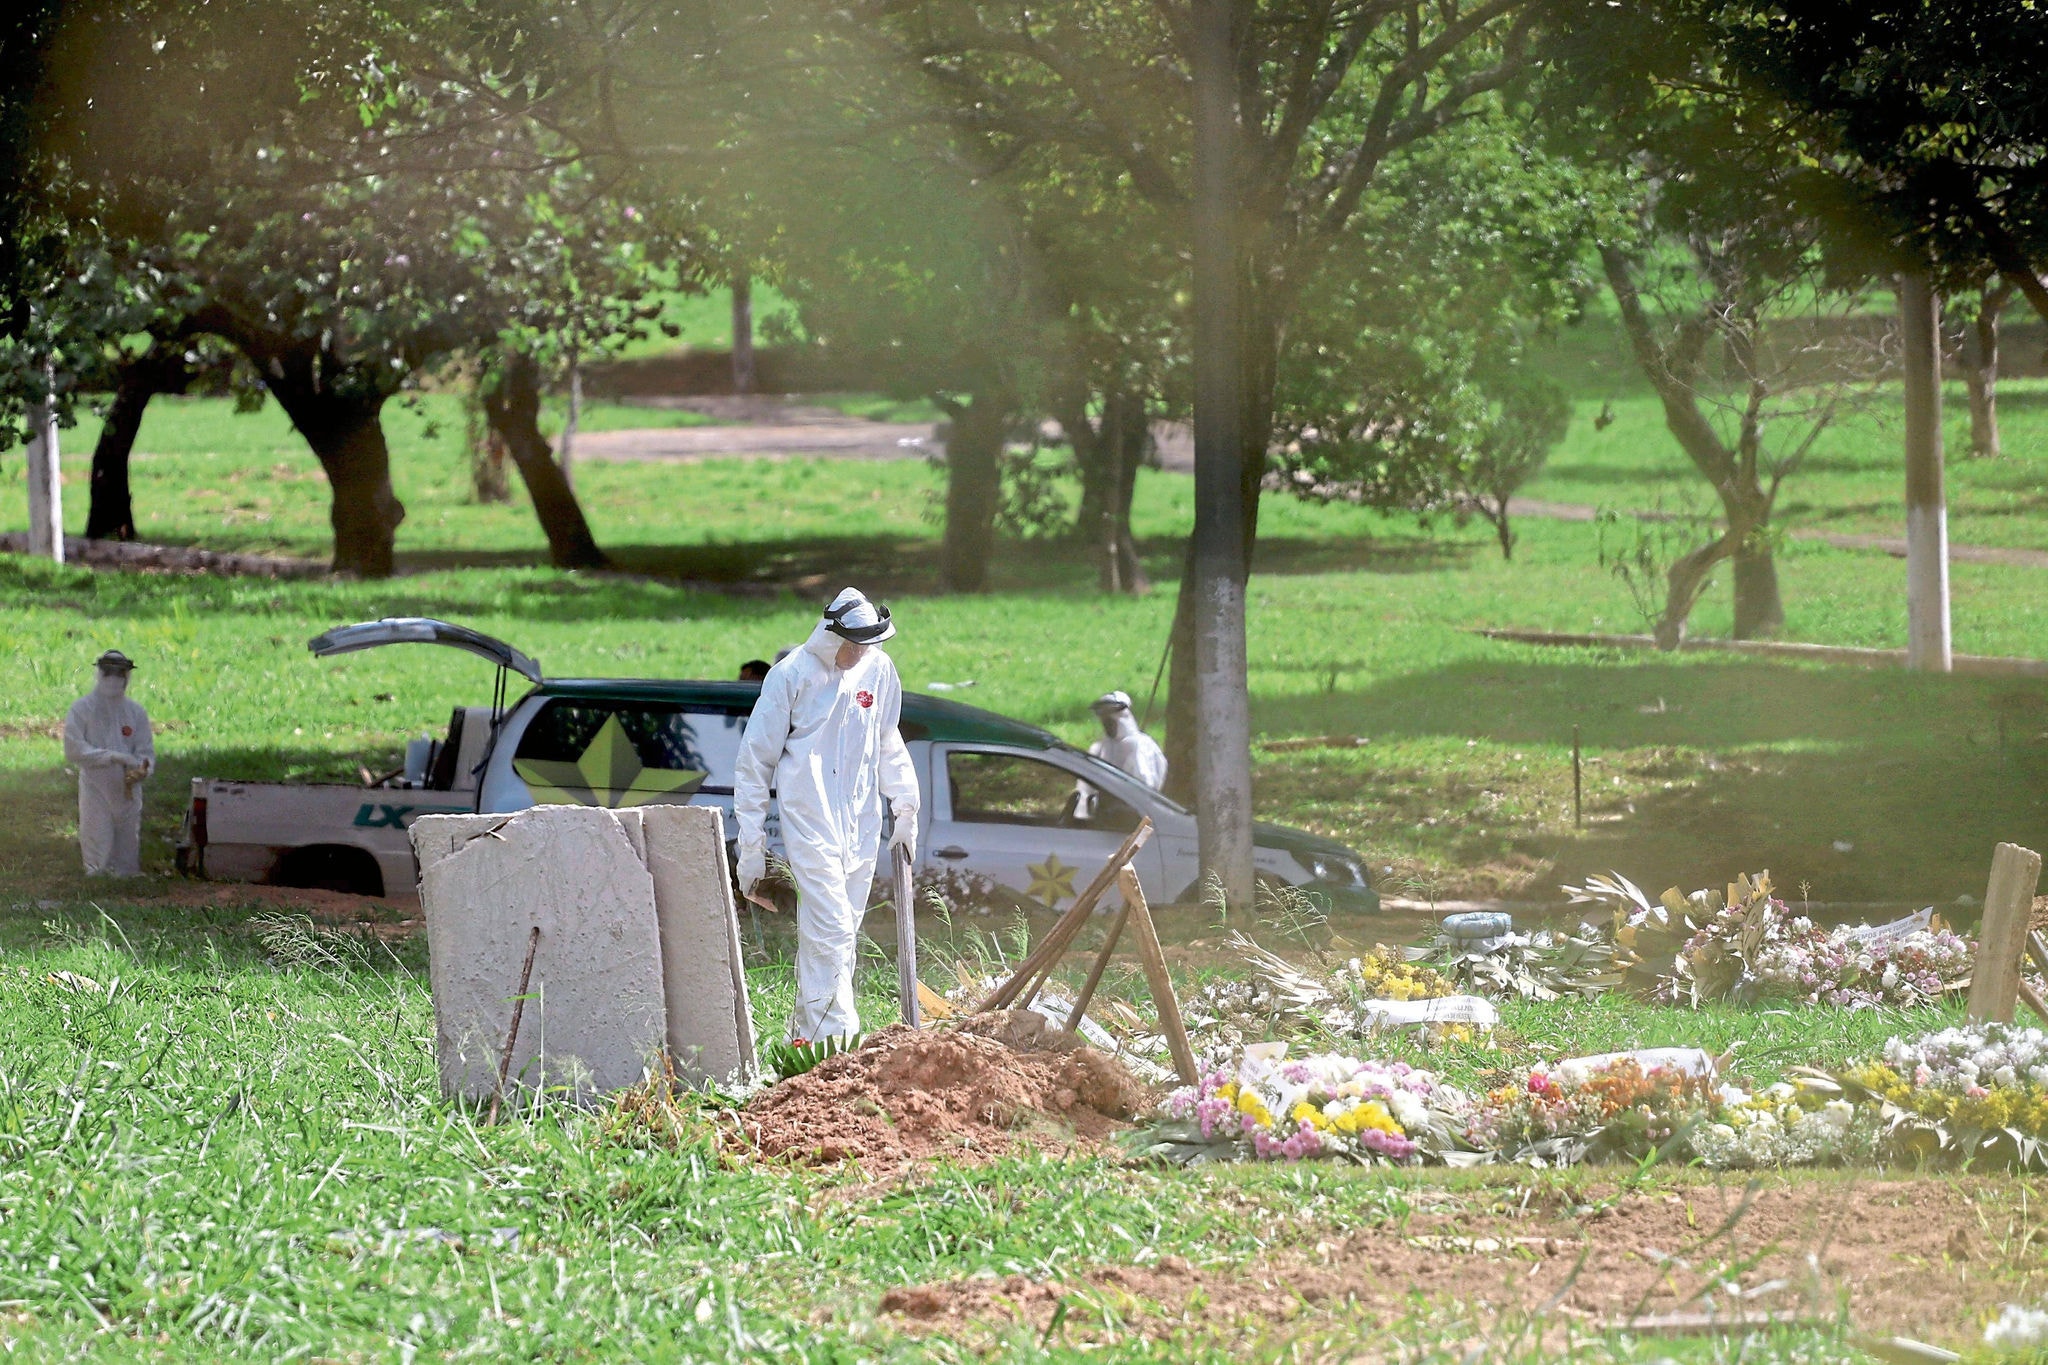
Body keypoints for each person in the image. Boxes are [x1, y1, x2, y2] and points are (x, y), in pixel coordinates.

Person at [733, 588, 919, 1043]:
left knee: (838, 938)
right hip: (810, 819)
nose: (857, 653)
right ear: (829, 635)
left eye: (866, 644)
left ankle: (807, 1037)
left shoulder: (878, 670)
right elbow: (754, 762)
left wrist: (905, 804)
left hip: (861, 821)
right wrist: (751, 849)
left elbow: (887, 739)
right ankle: (839, 1043)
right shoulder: (792, 675)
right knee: (831, 930)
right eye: (850, 643)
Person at [63, 650, 155, 877]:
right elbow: (74, 749)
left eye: (120, 674)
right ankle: (98, 878)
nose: (114, 679)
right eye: (109, 673)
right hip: (96, 785)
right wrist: (111, 757)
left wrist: (142, 770)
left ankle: (126, 877)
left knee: (127, 837)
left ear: (127, 676)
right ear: (99, 674)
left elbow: (145, 751)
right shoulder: (81, 709)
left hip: (128, 788)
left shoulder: (136, 712)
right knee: (96, 833)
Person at [1077, 691, 1167, 819]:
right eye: (1103, 717)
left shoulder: (1139, 746)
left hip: (1131, 818)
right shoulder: (1101, 747)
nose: (1106, 722)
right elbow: (1086, 789)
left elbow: (1145, 788)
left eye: (1110, 716)